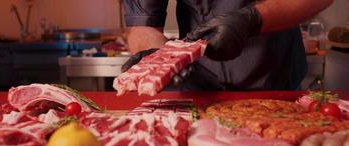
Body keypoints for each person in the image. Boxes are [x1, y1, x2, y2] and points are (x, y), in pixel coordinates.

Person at [122, 0, 333, 91]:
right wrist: (159, 59)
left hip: (277, 88)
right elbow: (144, 26)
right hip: (197, 90)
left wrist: (253, 19)